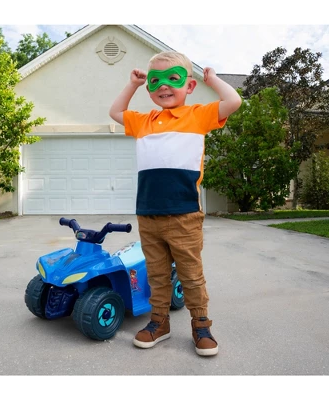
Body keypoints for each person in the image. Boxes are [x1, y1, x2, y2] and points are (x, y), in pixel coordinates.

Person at [109, 51, 242, 356]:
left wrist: (213, 79)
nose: (164, 86)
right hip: (148, 214)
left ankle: (201, 325)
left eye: (173, 78)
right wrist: (132, 85)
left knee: (190, 275)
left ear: (189, 86)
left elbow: (233, 101)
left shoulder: (198, 115)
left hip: (184, 214)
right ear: (149, 88)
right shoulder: (143, 121)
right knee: (156, 274)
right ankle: (160, 322)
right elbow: (115, 111)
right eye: (156, 81)